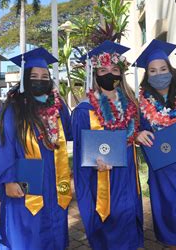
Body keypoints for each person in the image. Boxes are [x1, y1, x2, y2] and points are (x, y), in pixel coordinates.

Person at [0, 47, 73, 249]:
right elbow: (1, 150)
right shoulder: (13, 108)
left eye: (44, 76)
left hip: (53, 179)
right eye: (34, 76)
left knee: (53, 229)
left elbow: (70, 134)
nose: (40, 80)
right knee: (26, 232)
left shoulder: (58, 107)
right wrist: (8, 180)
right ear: (24, 79)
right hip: (23, 182)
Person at [71, 41, 144, 250]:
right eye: (103, 70)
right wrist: (94, 163)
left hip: (127, 174)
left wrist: (138, 135)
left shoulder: (130, 104)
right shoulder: (84, 111)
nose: (109, 74)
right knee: (108, 232)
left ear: (121, 74)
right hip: (102, 178)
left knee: (129, 226)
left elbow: (132, 135)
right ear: (95, 74)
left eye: (114, 70)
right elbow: (79, 156)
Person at [134, 39, 176, 249]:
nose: (159, 74)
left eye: (163, 68)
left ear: (170, 70)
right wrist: (138, 134)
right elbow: (133, 129)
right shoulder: (142, 102)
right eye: (153, 71)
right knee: (168, 216)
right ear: (147, 75)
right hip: (162, 169)